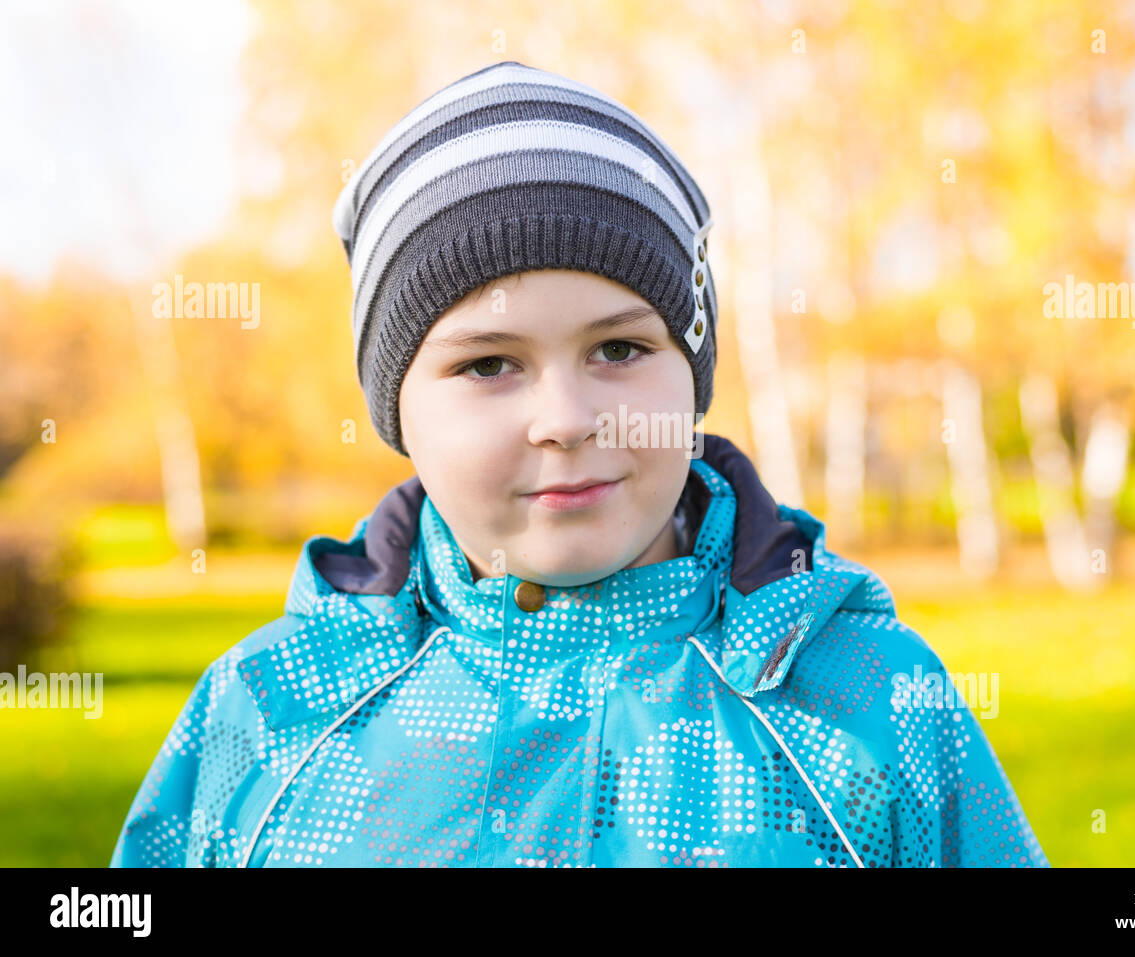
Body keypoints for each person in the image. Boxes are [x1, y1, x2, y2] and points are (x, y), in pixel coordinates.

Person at [109, 60, 1048, 868]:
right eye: (488, 364)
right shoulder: (273, 712)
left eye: (620, 350)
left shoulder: (864, 701)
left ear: (693, 372)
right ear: (398, 409)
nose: (565, 420)